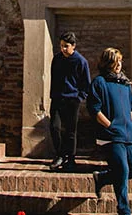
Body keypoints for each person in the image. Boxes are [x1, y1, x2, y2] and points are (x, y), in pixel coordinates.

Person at [88, 47, 132, 215]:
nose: (119, 64)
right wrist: (109, 125)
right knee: (122, 170)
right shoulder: (99, 82)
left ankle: (102, 178)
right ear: (107, 63)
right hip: (111, 136)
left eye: (120, 61)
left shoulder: (125, 83)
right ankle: (124, 209)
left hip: (129, 134)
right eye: (115, 61)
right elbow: (94, 109)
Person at [49, 32, 91, 172]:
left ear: (73, 46)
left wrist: (79, 97)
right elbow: (53, 78)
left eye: (66, 46)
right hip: (57, 98)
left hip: (72, 100)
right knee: (55, 127)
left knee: (70, 131)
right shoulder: (57, 59)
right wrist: (53, 95)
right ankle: (60, 154)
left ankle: (71, 158)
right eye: (61, 46)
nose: (63, 49)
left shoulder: (80, 61)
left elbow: (86, 83)